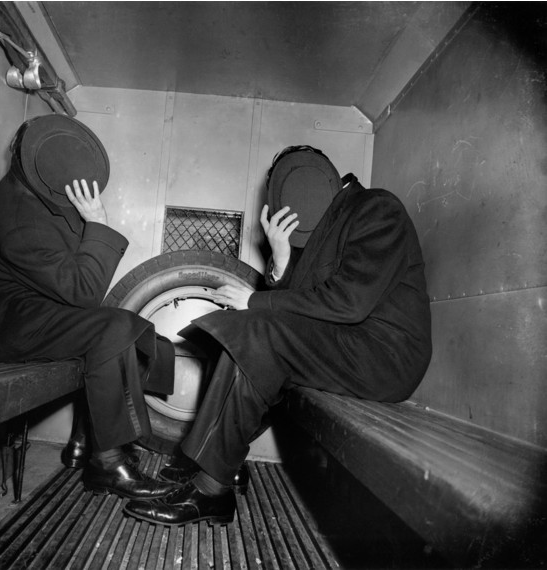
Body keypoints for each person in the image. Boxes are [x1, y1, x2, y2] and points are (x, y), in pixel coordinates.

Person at [123, 145, 432, 525]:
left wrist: (254, 300)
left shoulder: (375, 208)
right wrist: (282, 255)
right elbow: (298, 310)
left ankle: (211, 485)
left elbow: (348, 303)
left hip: (385, 356)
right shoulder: (321, 228)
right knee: (248, 336)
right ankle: (211, 465)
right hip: (349, 346)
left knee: (259, 332)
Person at [0, 114, 178, 501]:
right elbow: (83, 291)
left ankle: (88, 441)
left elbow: (74, 281)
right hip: (8, 325)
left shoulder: (38, 190)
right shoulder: (19, 219)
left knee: (130, 329)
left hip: (38, 312)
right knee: (113, 329)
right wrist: (97, 222)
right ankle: (106, 462)